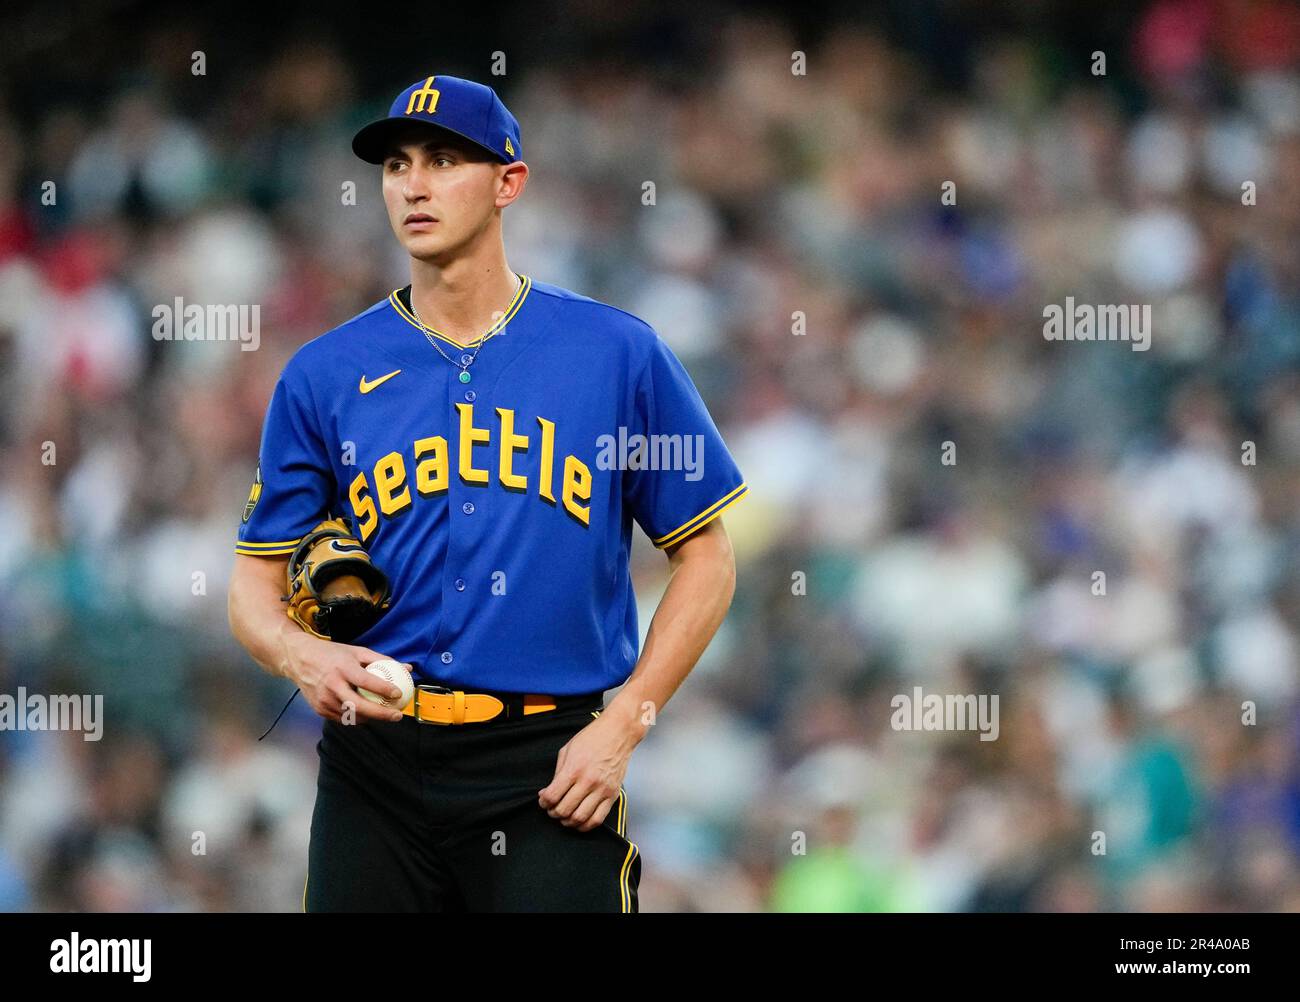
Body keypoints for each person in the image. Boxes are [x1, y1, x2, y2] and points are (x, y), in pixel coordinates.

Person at [226, 74, 747, 912]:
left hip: (546, 765)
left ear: (510, 183)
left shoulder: (615, 353)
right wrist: (304, 655)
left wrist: (622, 728)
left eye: (443, 159)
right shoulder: (323, 374)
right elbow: (253, 586)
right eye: (396, 165)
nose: (414, 184)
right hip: (374, 767)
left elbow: (708, 559)